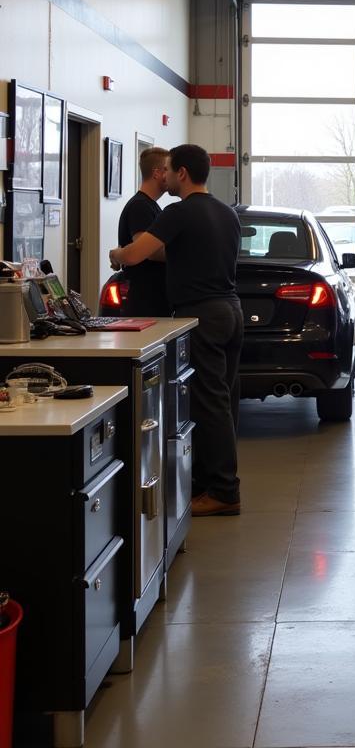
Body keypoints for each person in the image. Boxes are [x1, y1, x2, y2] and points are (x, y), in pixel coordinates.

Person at [110, 144, 244, 518]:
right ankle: (208, 482)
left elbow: (136, 254)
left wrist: (116, 254)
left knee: (208, 404)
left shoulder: (178, 212)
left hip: (202, 315)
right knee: (223, 402)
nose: (163, 175)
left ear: (182, 173)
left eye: (168, 169)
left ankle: (224, 491)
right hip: (231, 311)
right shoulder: (226, 213)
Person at [116, 146, 172, 317]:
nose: (172, 174)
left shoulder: (151, 206)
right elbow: (149, 252)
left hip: (154, 294)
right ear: (156, 173)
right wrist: (185, 253)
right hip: (146, 298)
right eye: (167, 170)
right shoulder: (140, 206)